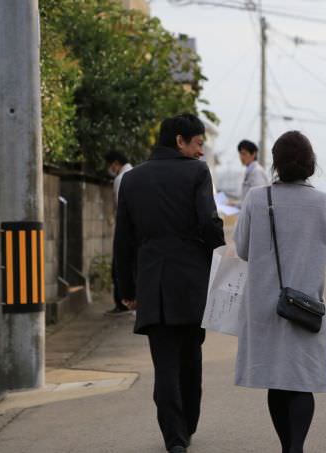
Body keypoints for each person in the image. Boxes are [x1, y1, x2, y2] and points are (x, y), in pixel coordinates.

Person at [114, 114, 225, 453]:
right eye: (197, 144)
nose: (201, 152)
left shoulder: (132, 179)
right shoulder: (196, 173)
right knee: (190, 359)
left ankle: (174, 439)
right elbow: (208, 223)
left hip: (153, 284)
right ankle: (187, 424)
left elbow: (123, 240)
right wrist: (218, 252)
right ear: (180, 141)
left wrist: (126, 291)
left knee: (164, 364)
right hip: (191, 282)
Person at [233, 131, 326, 453]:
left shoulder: (256, 198)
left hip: (265, 302)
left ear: (276, 163)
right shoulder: (324, 203)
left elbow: (242, 249)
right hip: (305, 304)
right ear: (310, 163)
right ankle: (296, 448)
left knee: (276, 379)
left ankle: (287, 448)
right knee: (301, 379)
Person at [105, 151, 133, 315]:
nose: (109, 169)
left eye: (109, 165)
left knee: (119, 264)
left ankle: (122, 301)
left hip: (124, 227)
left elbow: (119, 207)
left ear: (115, 163)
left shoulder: (120, 179)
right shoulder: (135, 173)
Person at [237, 139, 270, 205]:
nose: (241, 157)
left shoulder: (257, 172)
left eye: (244, 154)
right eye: (240, 154)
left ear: (253, 154)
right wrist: (235, 204)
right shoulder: (250, 170)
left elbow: (259, 198)